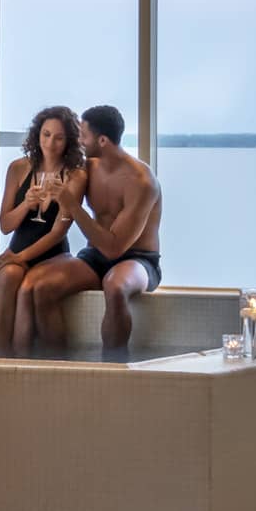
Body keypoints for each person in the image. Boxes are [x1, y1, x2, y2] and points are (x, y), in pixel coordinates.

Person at [33, 104, 162, 351]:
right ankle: (58, 368)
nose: (78, 140)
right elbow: (63, 211)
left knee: (115, 287)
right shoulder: (87, 167)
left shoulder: (141, 182)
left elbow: (115, 248)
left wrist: (73, 205)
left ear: (102, 140)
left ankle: (112, 371)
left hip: (138, 259)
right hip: (96, 255)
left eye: (84, 135)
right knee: (42, 287)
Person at [0, 105, 86, 356]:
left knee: (26, 288)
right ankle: (1, 355)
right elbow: (4, 225)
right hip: (18, 249)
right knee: (10, 276)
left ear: (69, 141)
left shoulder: (76, 176)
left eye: (58, 137)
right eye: (46, 134)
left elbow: (58, 232)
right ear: (37, 135)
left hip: (54, 255)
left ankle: (28, 362)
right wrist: (26, 205)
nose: (50, 143)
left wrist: (19, 257)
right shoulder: (18, 168)